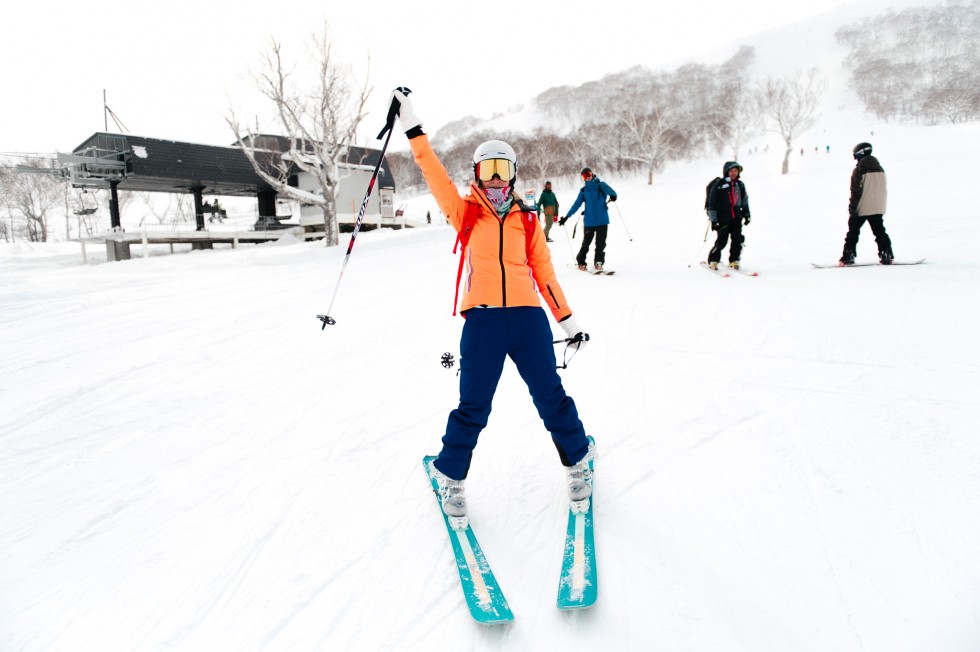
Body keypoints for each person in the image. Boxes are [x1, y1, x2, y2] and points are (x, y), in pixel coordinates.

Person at [387, 87, 594, 525]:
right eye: (488, 168)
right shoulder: (465, 213)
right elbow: (433, 173)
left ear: (514, 174)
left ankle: (579, 462)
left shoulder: (528, 220)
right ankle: (451, 476)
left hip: (528, 321)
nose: (496, 177)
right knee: (474, 404)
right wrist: (413, 128)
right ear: (477, 173)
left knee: (550, 397)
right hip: (482, 322)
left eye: (503, 169)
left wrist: (565, 317)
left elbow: (545, 273)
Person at [840, 142, 892, 265]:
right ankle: (886, 253)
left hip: (862, 206)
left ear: (860, 154)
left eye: (855, 156)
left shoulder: (859, 170)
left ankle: (848, 256)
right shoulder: (880, 168)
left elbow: (856, 190)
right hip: (877, 206)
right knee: (880, 231)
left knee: (853, 232)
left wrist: (852, 207)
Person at [559, 168, 617, 272]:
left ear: (592, 174)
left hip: (602, 221)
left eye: (588, 174)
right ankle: (581, 262)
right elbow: (576, 205)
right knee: (586, 243)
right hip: (589, 222)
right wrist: (566, 217)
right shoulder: (583, 191)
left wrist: (613, 196)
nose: (587, 177)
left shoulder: (601, 185)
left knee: (600, 244)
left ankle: (598, 262)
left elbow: (611, 192)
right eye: (584, 176)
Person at [706, 161, 751, 270]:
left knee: (738, 240)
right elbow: (711, 204)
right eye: (731, 171)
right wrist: (714, 220)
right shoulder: (719, 185)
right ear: (726, 172)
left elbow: (744, 201)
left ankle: (734, 260)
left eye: (736, 171)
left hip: (736, 217)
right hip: (723, 218)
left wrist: (747, 214)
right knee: (722, 241)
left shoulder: (740, 185)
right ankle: (713, 260)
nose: (734, 173)